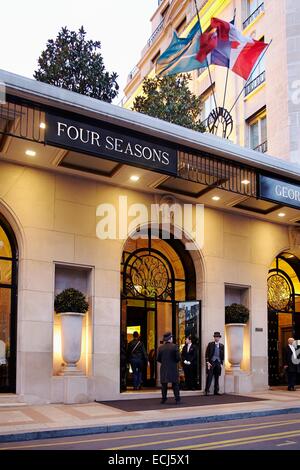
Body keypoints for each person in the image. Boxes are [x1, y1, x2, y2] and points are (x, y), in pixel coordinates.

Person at [157, 332, 181, 404]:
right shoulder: (175, 346)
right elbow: (178, 358)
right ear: (170, 339)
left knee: (164, 385)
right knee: (175, 384)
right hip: (173, 367)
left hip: (164, 368)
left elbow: (158, 359)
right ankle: (177, 399)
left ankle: (163, 399)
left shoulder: (160, 348)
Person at [204, 332, 224, 396]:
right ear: (214, 337)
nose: (216, 338)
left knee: (217, 377)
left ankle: (216, 391)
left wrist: (221, 363)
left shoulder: (221, 346)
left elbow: (222, 355)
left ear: (219, 338)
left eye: (218, 337)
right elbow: (207, 353)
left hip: (218, 362)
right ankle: (207, 390)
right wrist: (207, 362)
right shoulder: (210, 344)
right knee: (209, 376)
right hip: (211, 362)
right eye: (215, 337)